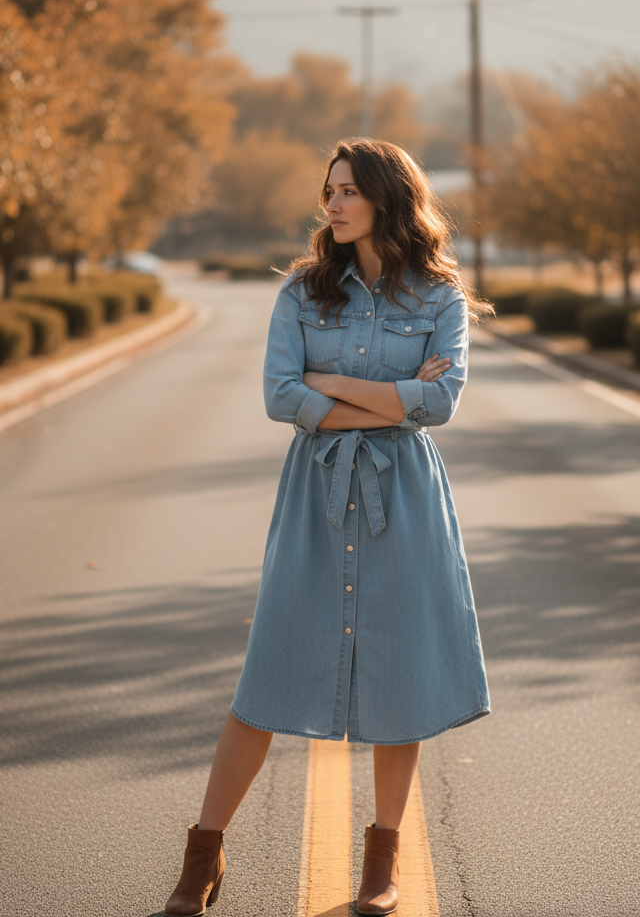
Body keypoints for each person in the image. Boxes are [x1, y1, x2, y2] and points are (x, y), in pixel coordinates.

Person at [164, 138, 492, 917]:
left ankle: (383, 860)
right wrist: (393, 392)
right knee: (265, 676)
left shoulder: (440, 296)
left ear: (386, 197)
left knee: (399, 678)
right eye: (329, 190)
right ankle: (201, 855)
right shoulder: (302, 294)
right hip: (315, 499)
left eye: (347, 190)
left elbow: (441, 405)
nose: (333, 203)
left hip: (405, 500)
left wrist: (333, 383)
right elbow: (282, 395)